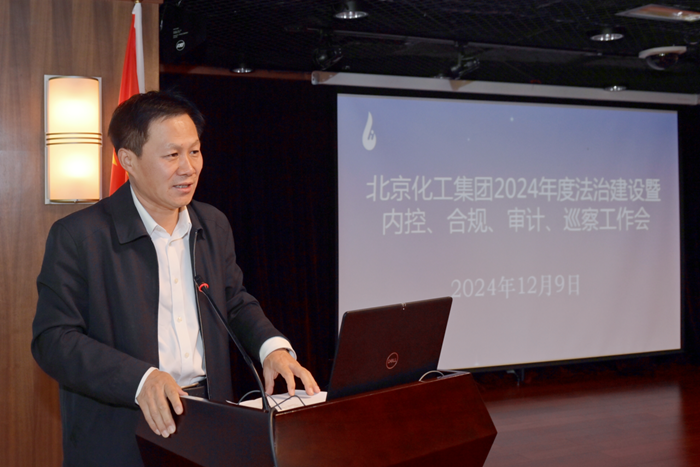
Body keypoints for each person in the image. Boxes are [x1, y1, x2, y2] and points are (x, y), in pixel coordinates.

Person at [31, 91, 319, 466]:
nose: (189, 168)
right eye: (171, 155)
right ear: (128, 160)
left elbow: (233, 301)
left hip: (209, 420)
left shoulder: (212, 224)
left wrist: (271, 348)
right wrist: (140, 379)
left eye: (194, 151)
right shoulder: (80, 236)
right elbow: (54, 340)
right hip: (123, 427)